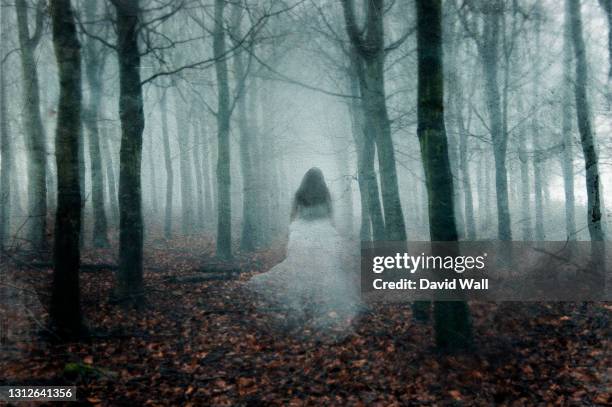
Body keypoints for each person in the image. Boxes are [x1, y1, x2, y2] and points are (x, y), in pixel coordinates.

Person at [246, 167, 361, 332]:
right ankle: (318, 303)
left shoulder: (299, 194)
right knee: (325, 269)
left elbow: (293, 215)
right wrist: (334, 234)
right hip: (323, 232)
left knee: (299, 269)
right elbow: (330, 216)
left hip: (301, 233)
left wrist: (291, 233)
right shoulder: (326, 194)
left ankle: (298, 305)